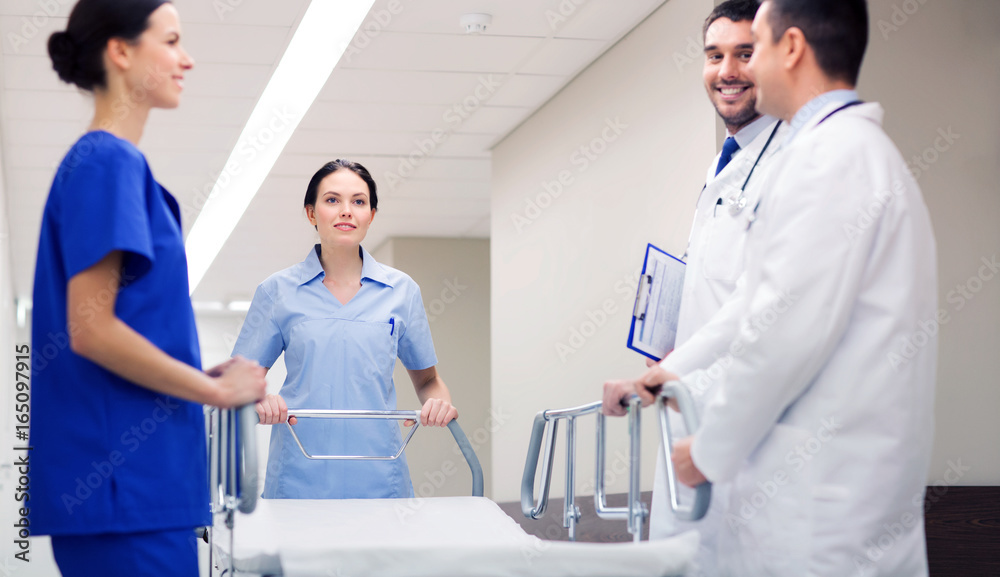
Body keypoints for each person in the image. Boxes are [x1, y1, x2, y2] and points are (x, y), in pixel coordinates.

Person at [611, 0, 938, 574]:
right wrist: (675, 370)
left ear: (790, 49)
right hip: (832, 501)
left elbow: (781, 334)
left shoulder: (829, 159)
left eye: (753, 47)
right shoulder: (846, 153)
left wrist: (709, 450)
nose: (742, 68)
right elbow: (759, 303)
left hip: (823, 510)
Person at [30, 1, 267, 575]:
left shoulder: (112, 164)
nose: (187, 60)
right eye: (171, 40)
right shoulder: (106, 161)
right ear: (121, 51)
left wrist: (197, 377)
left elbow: (120, 325)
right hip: (124, 490)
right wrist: (213, 393)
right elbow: (90, 329)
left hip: (139, 489)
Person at [605, 1, 785, 573]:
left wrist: (669, 374)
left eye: (744, 54)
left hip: (745, 435)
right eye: (714, 55)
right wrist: (666, 355)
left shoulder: (791, 164)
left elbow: (763, 307)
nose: (726, 71)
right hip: (690, 417)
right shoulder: (723, 166)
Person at [232, 159, 459, 499]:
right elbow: (238, 379)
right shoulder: (277, 291)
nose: (346, 211)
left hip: (379, 476)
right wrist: (259, 398)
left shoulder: (401, 291)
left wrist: (439, 404)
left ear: (371, 215)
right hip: (299, 476)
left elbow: (428, 381)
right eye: (332, 200)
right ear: (311, 213)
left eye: (359, 201)